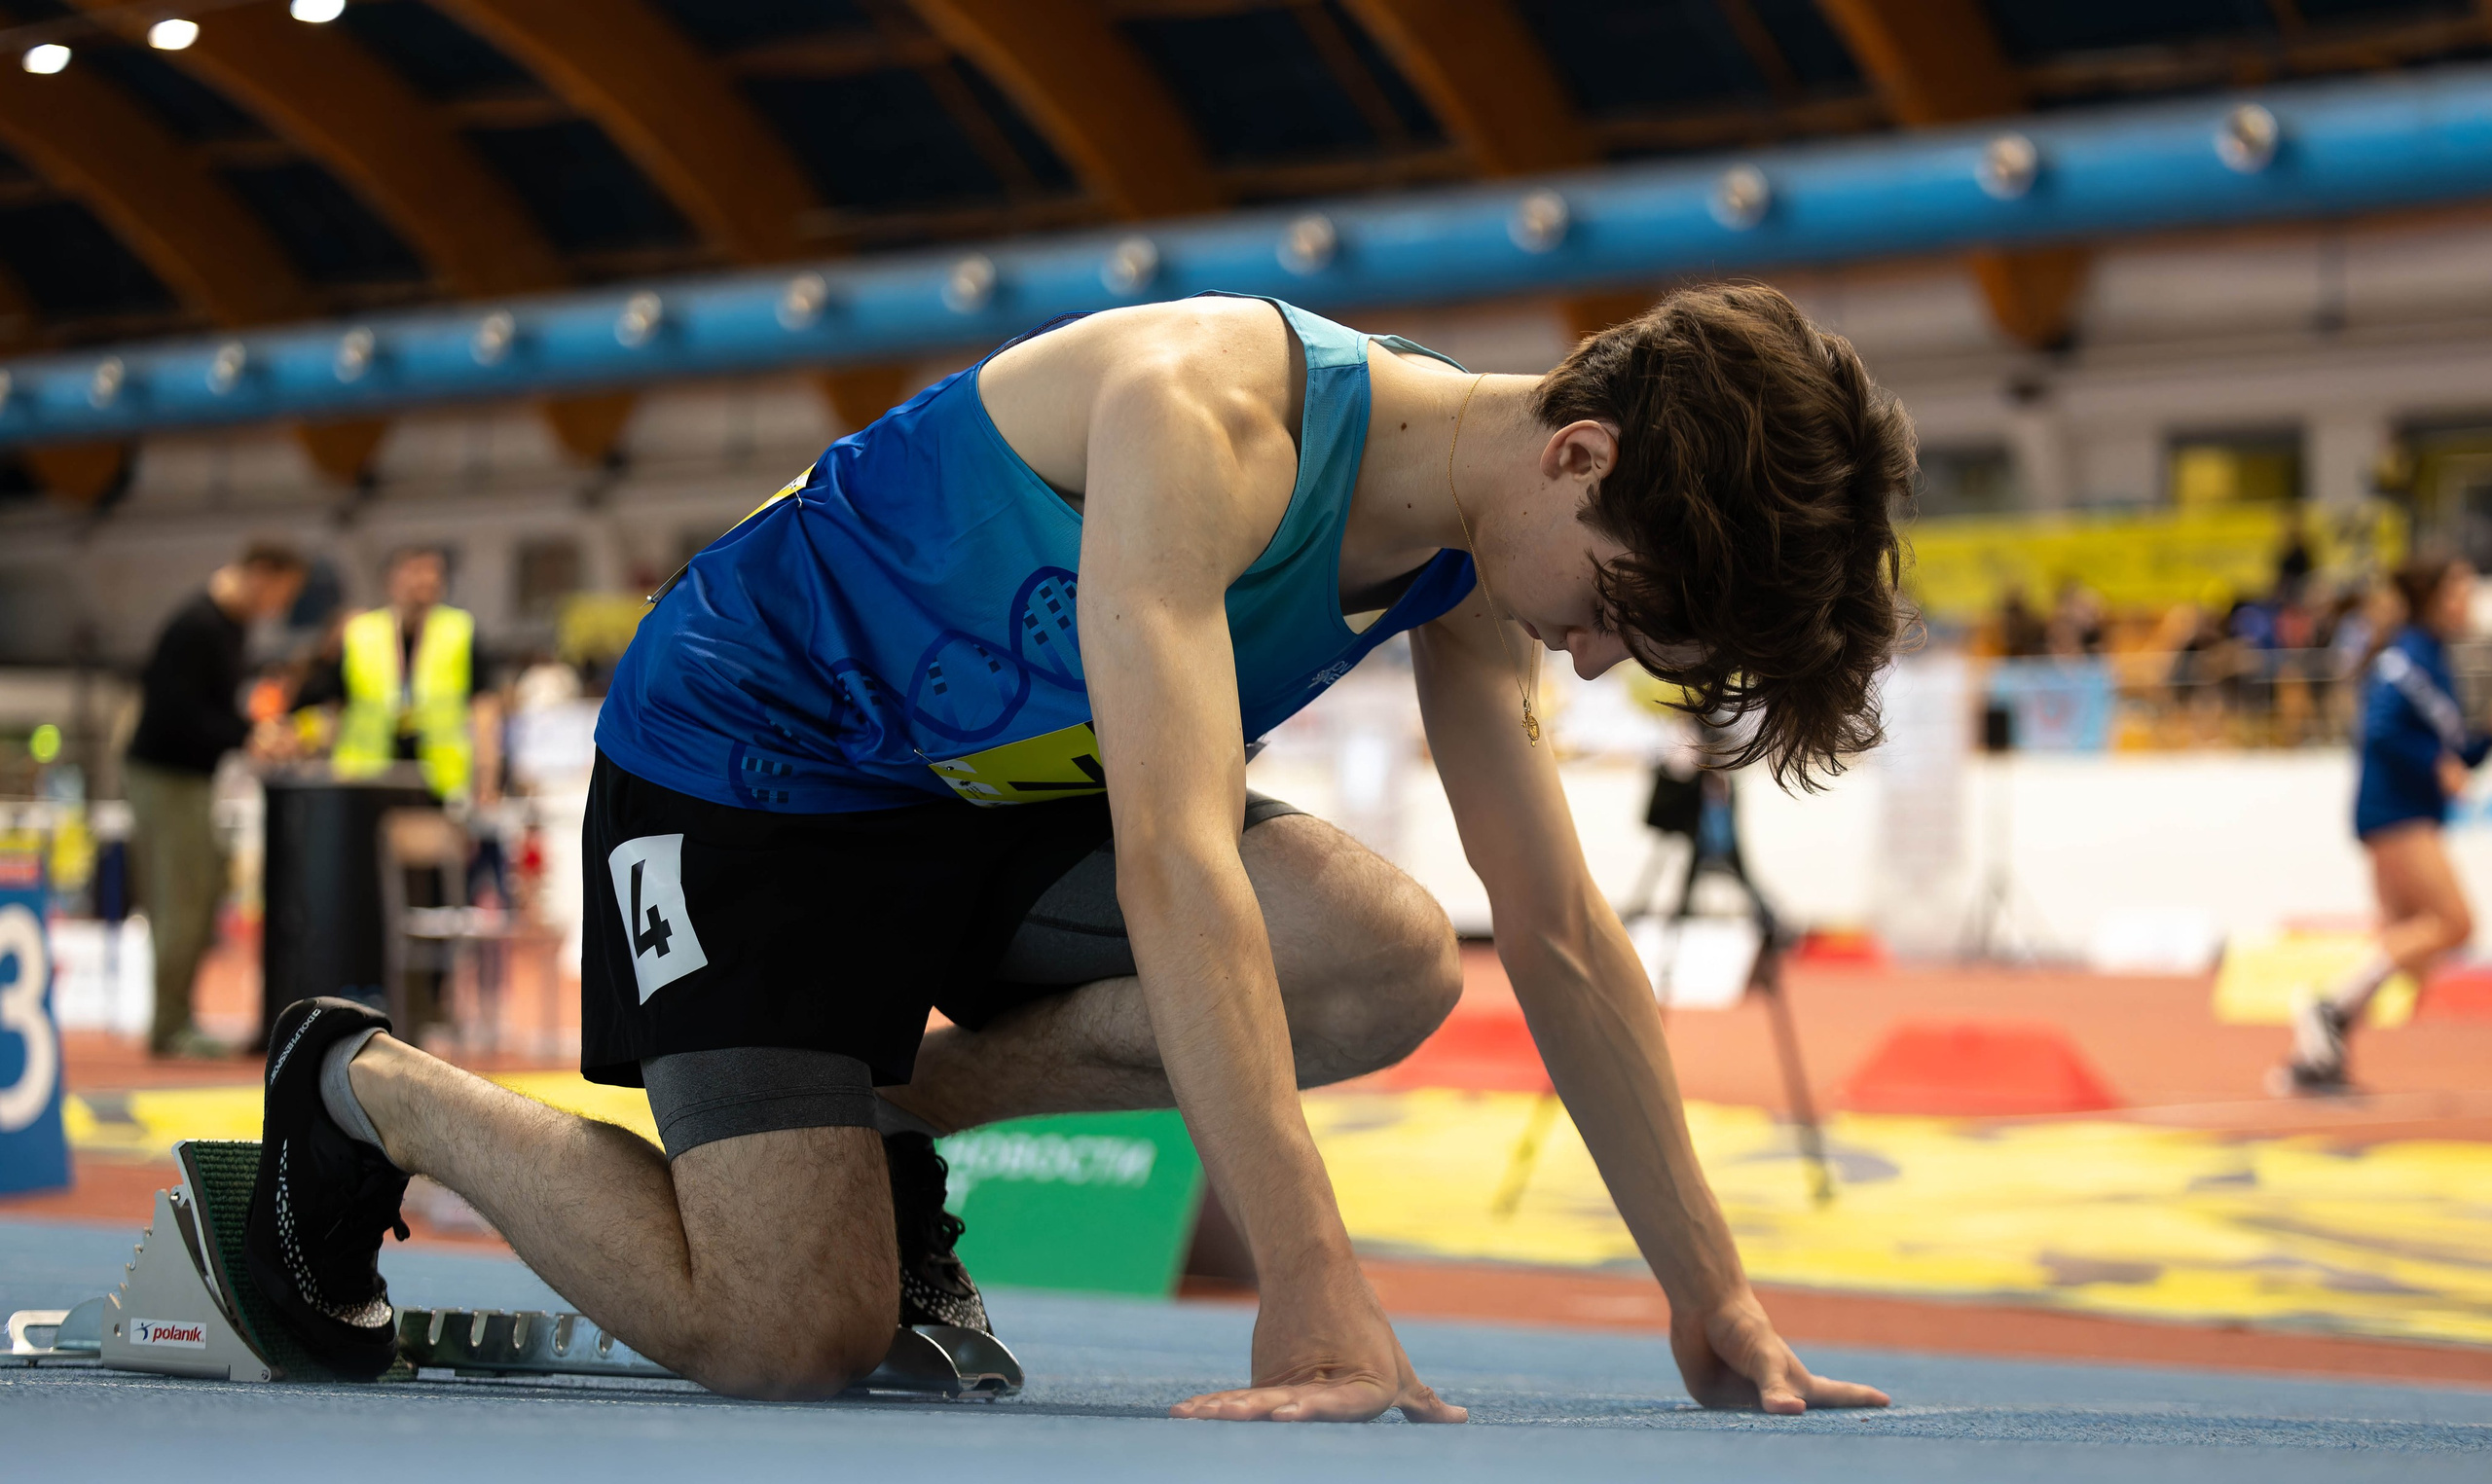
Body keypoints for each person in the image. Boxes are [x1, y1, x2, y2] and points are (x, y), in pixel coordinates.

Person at [244, 285, 1911, 1422]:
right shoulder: (1211, 413)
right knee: (784, 1338)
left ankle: (893, 1112)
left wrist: (1714, 1294)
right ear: (1580, 452)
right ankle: (366, 1082)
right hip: (752, 774)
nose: (1602, 658)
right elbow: (1177, 864)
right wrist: (1313, 1286)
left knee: (1390, 951)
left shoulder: (1481, 553)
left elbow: (1553, 931)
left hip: (998, 799)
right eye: (1621, 603)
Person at [2282, 556, 2485, 1094]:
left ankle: (2321, 1048)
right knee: (2455, 922)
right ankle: (2327, 1008)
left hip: (2407, 810)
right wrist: (2435, 763)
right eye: (2461, 589)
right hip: (2394, 810)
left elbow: (2456, 751)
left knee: (2402, 946)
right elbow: (2382, 728)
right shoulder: (2408, 658)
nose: (2470, 602)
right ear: (2436, 598)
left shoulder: (2432, 657)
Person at [123, 544, 307, 1058]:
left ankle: (178, 1016)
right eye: (281, 593)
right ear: (260, 573)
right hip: (165, 775)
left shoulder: (229, 627)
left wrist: (250, 733)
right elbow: (178, 712)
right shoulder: (197, 625)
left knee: (201, 893)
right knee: (182, 896)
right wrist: (248, 736)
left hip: (192, 776)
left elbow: (209, 712)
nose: (278, 608)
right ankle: (169, 1025)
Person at [302, 544, 501, 805]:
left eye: (433, 573)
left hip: (439, 780)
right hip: (366, 776)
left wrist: (487, 776)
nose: (425, 581)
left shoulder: (460, 631)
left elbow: (484, 709)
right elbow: (330, 706)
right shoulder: (359, 633)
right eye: (415, 572)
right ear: (392, 579)